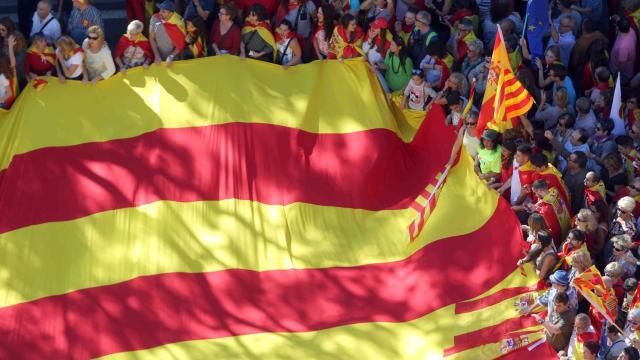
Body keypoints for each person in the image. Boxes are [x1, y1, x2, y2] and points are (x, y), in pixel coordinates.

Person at [150, 0, 186, 65]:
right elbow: (151, 38)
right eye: (160, 10)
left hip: (173, 60)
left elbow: (181, 44)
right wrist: (157, 55)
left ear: (171, 13)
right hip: (158, 59)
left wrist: (171, 56)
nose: (160, 13)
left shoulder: (179, 24)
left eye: (163, 11)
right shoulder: (155, 19)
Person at [610, 16, 637, 84]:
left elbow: (622, 66)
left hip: (623, 73)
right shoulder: (631, 30)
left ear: (618, 28)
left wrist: (616, 74)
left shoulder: (623, 47)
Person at [0, 35, 16, 109]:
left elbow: (9, 93)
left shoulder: (2, 77)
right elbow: (12, 63)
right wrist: (10, 47)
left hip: (4, 102)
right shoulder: (6, 70)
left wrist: (1, 100)